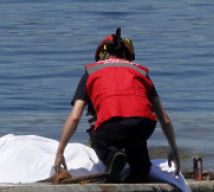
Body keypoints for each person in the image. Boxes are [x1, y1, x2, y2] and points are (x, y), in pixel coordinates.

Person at [54, 28, 180, 183]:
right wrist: (174, 150)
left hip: (111, 127)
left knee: (97, 133)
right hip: (143, 127)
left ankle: (111, 155)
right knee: (136, 141)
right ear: (126, 54)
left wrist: (60, 152)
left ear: (101, 54)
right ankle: (140, 167)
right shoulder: (140, 71)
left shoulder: (92, 71)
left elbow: (75, 117)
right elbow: (165, 119)